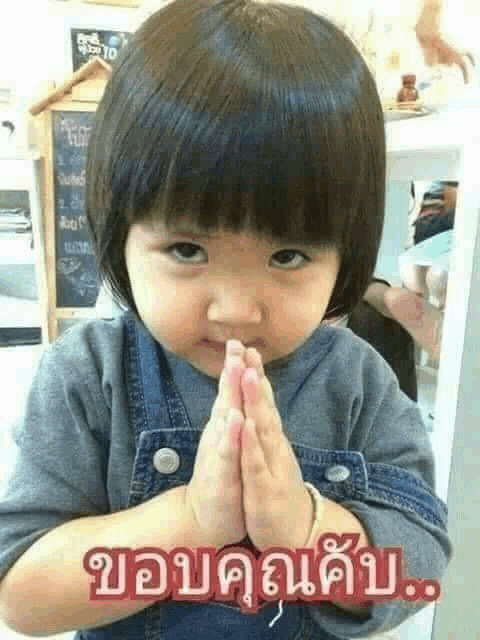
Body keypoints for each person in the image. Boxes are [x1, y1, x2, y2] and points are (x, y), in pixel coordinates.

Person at [0, 0, 451, 638]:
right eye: (187, 250)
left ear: (346, 253)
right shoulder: (88, 376)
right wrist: (191, 521)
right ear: (119, 235)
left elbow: (417, 568)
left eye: (287, 255)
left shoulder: (359, 385)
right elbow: (22, 592)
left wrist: (304, 531)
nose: (236, 309)